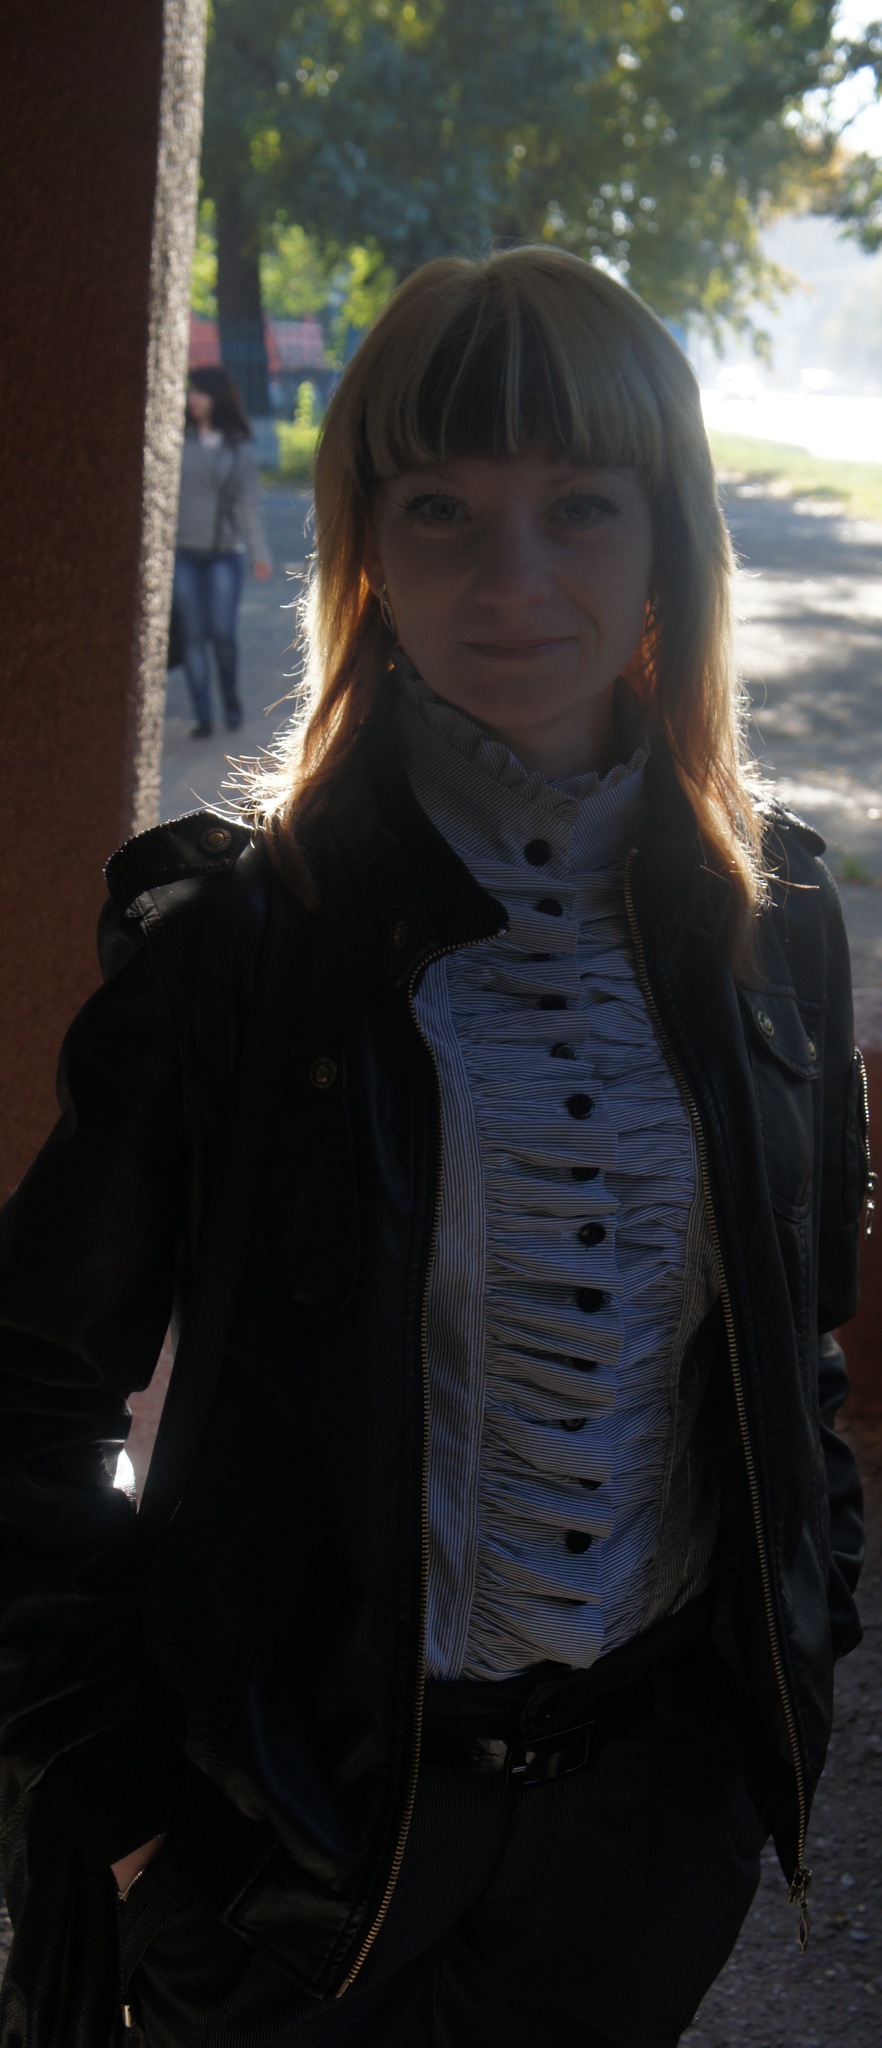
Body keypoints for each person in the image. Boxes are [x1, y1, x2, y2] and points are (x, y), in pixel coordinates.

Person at [0, 249, 869, 2048]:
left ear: (668, 536)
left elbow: (797, 1356)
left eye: (579, 505)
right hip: (288, 1862)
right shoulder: (232, 943)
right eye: (442, 509)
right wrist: (133, 1813)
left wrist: (785, 1679)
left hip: (647, 1839)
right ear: (368, 549)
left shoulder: (774, 920)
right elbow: (21, 1392)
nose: (511, 576)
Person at [172, 364, 272, 738]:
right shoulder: (177, 440)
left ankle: (230, 697)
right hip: (184, 552)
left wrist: (259, 553)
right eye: (190, 392)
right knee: (193, 636)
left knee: (222, 634)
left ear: (217, 396)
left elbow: (249, 503)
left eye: (199, 392)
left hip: (224, 553)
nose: (192, 399)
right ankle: (203, 715)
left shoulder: (238, 446)